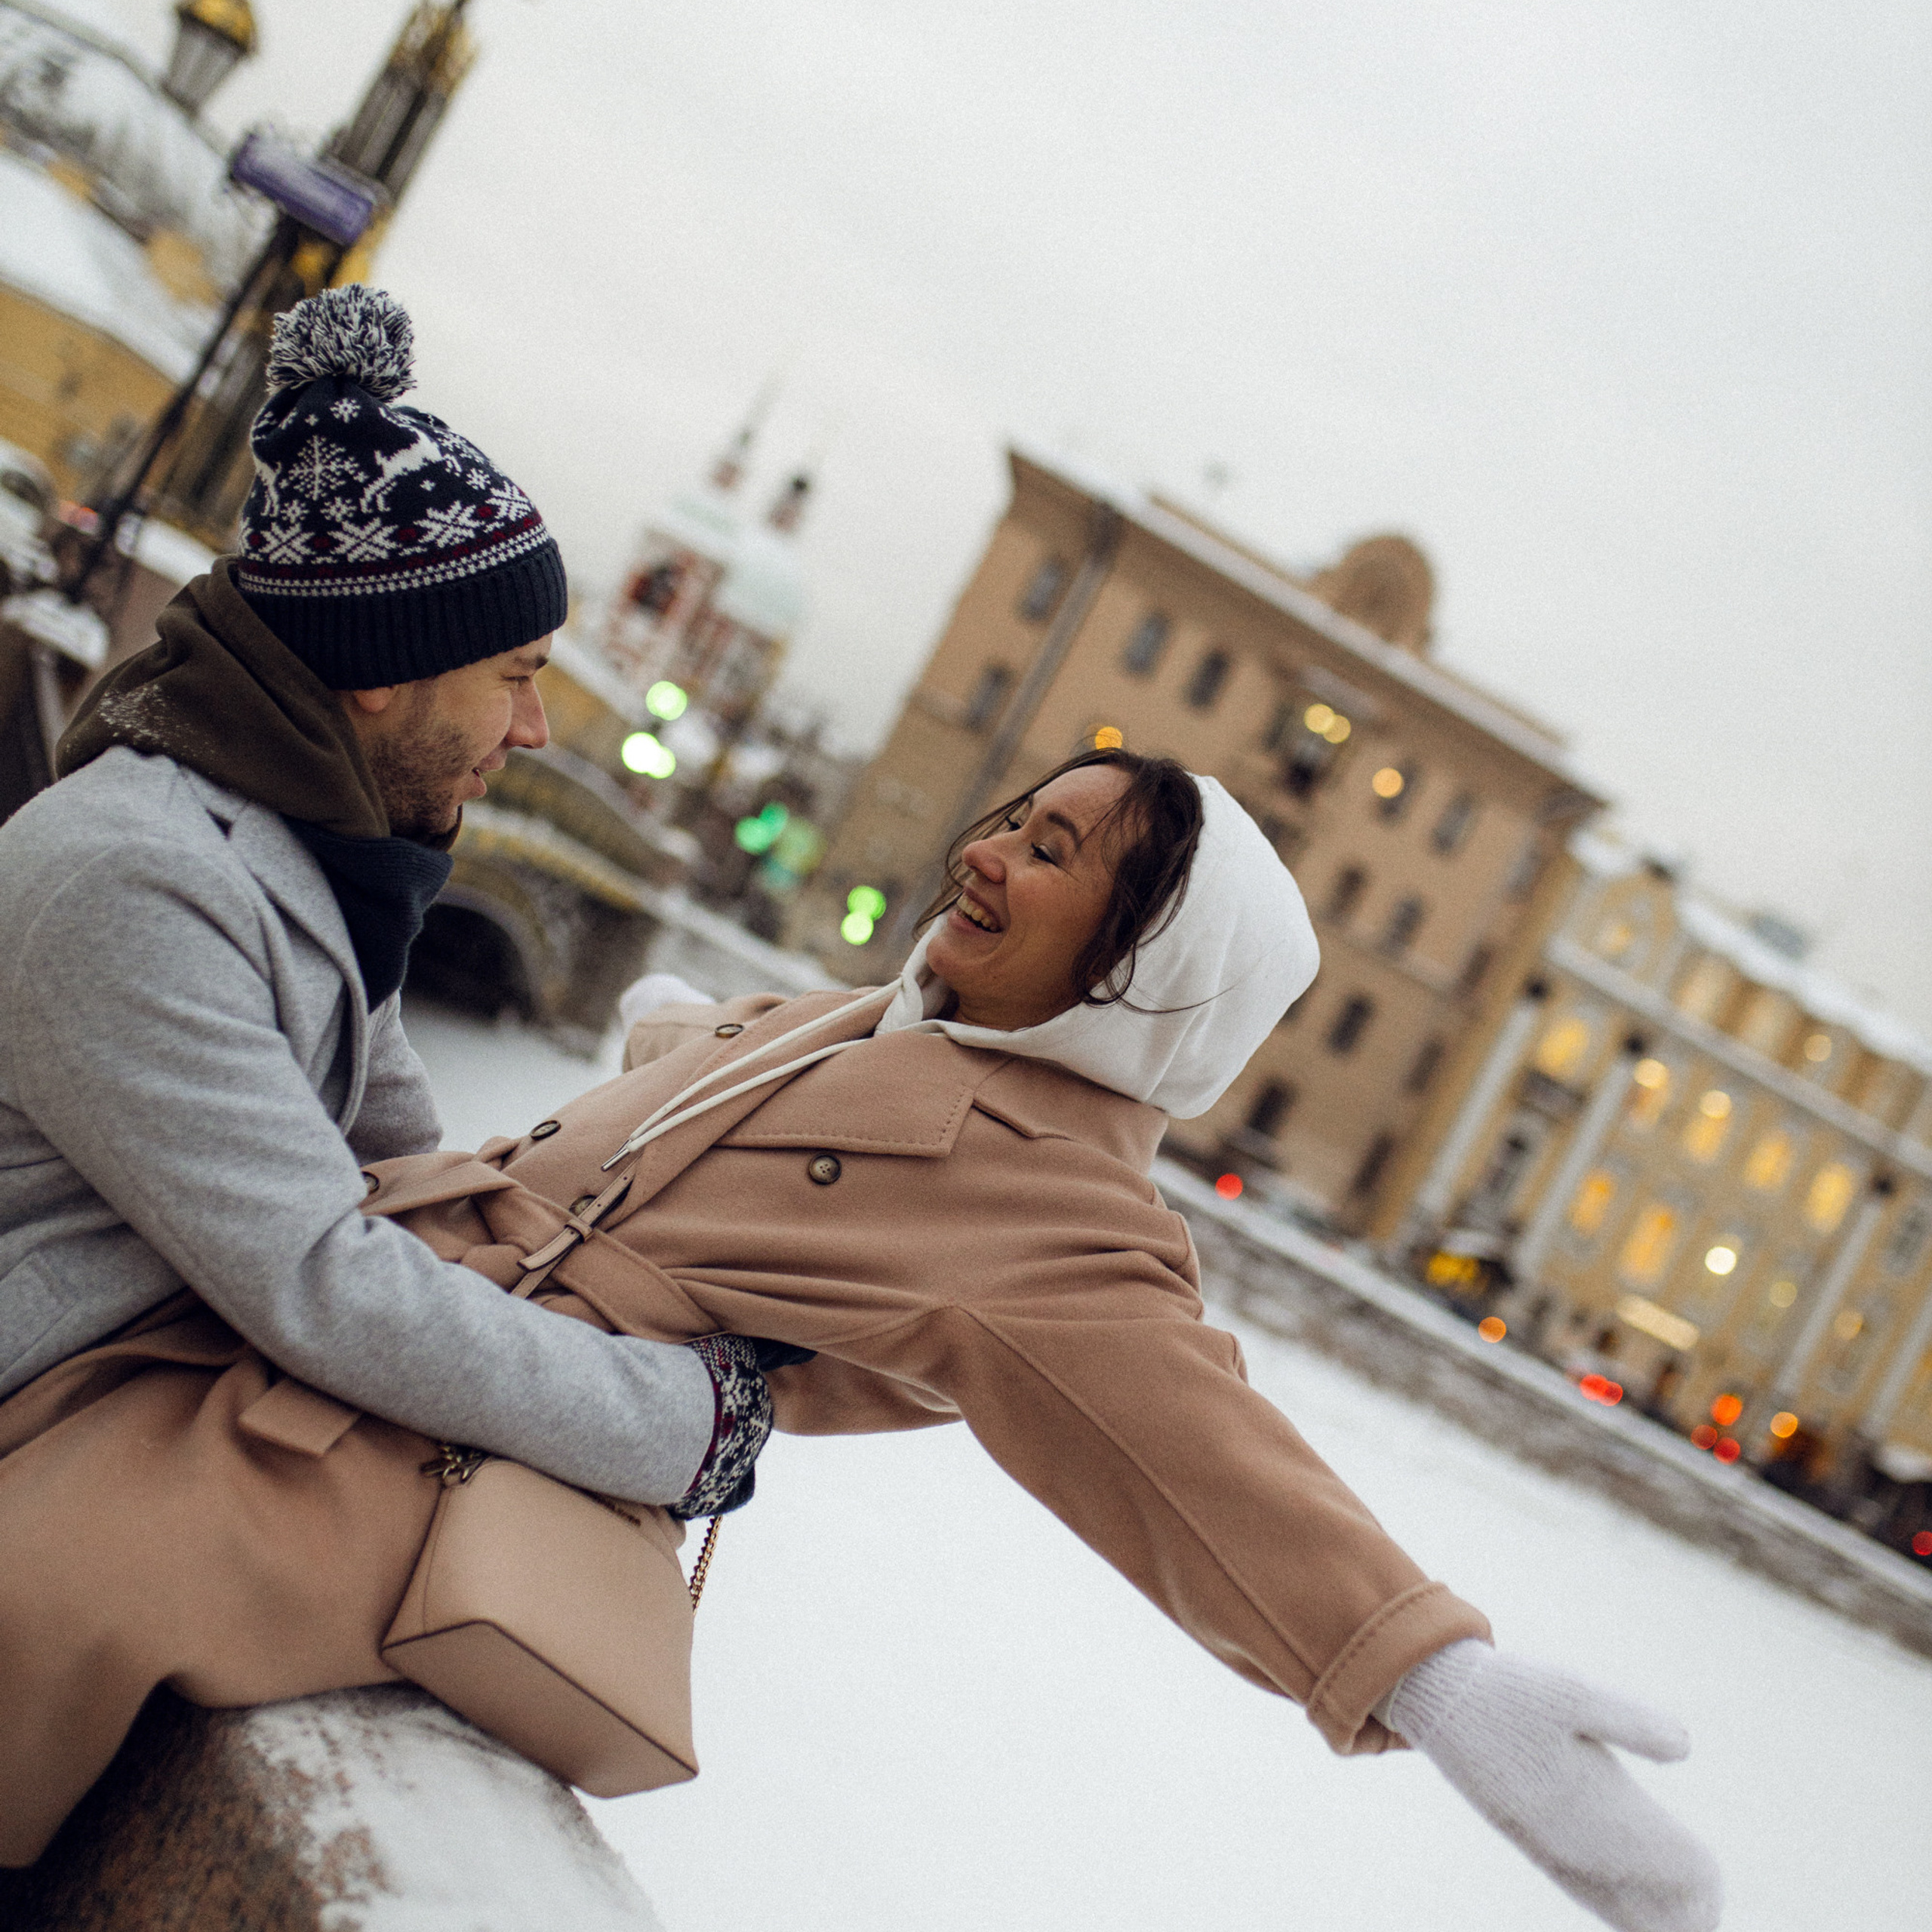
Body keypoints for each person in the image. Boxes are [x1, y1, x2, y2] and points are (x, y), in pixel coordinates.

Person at [382, 749, 1712, 1931]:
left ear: (1140, 973)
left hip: (412, 1449)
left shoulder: (1047, 1190)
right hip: (394, 1338)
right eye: (1018, 820)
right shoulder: (910, 1019)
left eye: (1047, 853)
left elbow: (1193, 1447)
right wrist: (667, 1027)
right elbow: (742, 1094)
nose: (983, 850)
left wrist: (1433, 1679)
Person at [0, 289, 774, 1860]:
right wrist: (664, 1417)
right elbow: (324, 1278)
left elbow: (409, 1163)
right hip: (58, 1415)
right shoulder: (139, 877)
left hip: (148, 1375)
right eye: (512, 673)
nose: (542, 728)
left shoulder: (307, 852)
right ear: (378, 673)